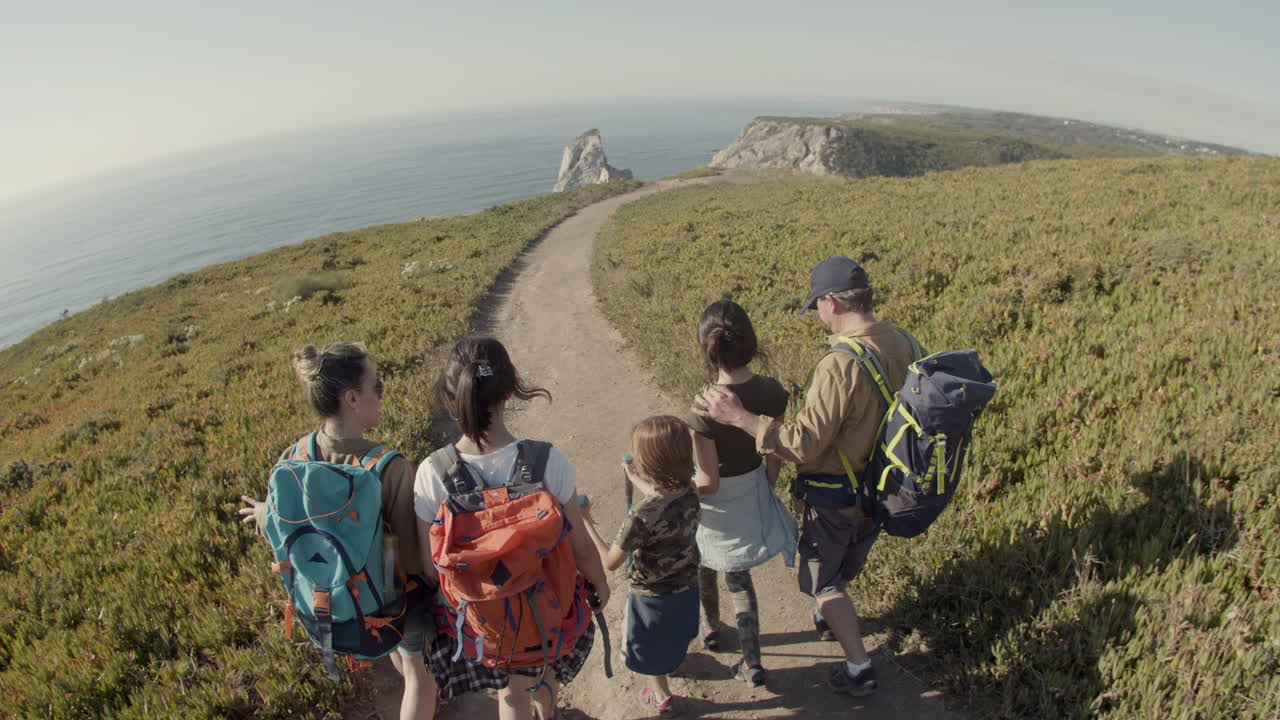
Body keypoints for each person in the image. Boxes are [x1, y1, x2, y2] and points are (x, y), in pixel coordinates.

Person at [694, 257, 920, 698]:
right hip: (884, 485)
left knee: (822, 581)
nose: (817, 314)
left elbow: (803, 444)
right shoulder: (903, 340)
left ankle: (858, 666)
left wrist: (741, 418)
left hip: (839, 493)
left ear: (832, 301)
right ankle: (830, 619)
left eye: (817, 305)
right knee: (847, 560)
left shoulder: (840, 363)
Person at [413, 337, 609, 720]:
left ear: (451, 396)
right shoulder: (547, 460)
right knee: (544, 672)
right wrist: (599, 582)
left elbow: (430, 565)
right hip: (548, 606)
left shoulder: (433, 472)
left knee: (511, 694)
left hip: (488, 622)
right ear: (509, 390)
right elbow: (580, 547)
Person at [239, 342, 437, 720]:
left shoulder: (292, 458)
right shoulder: (388, 467)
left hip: (331, 604)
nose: (381, 394)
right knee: (419, 678)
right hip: (389, 601)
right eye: (375, 387)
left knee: (395, 652)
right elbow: (412, 561)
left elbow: (289, 534)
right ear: (351, 398)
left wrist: (267, 513)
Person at [686, 299, 796, 687]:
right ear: (751, 343)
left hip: (717, 507)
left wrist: (676, 487)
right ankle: (746, 656)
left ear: (708, 349)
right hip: (753, 487)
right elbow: (775, 454)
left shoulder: (701, 409)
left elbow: (708, 480)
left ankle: (715, 631)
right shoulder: (773, 392)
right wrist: (765, 486)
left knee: (706, 563)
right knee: (739, 577)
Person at [581, 415, 701, 718]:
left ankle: (661, 695)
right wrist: (635, 479)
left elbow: (611, 562)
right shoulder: (691, 492)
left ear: (650, 464)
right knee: (677, 634)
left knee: (649, 652)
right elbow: (663, 495)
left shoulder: (641, 515)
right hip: (687, 587)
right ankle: (674, 660)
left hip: (650, 598)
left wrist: (586, 523)